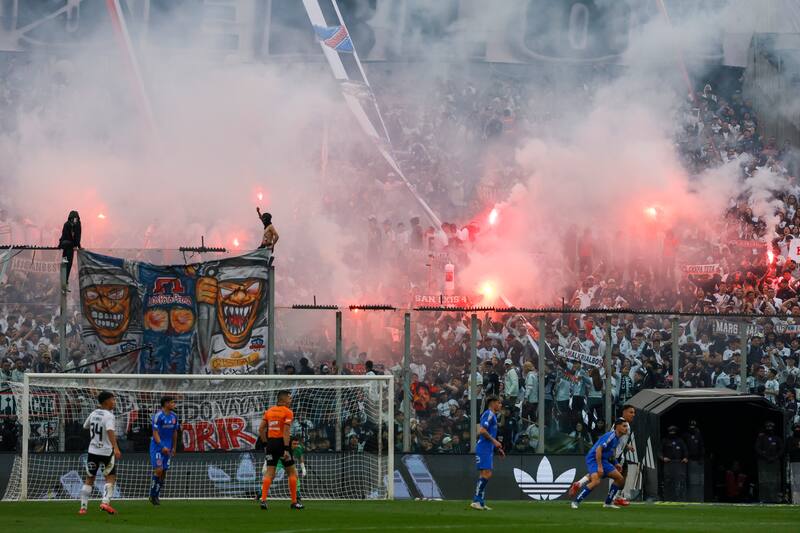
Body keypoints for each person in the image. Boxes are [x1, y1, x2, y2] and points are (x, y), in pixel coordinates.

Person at [570, 404, 636, 506]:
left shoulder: (617, 436)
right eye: (631, 412)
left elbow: (610, 449)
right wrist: (601, 466)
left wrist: (615, 461)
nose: (626, 429)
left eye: (634, 412)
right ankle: (576, 502)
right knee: (597, 480)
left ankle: (607, 502)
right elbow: (599, 450)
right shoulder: (615, 431)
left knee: (619, 478)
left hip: (606, 458)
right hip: (595, 458)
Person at [259, 390, 303, 510]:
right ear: (282, 400)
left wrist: (265, 444)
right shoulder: (288, 412)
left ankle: (263, 500)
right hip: (281, 443)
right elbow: (286, 431)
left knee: (269, 473)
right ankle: (294, 502)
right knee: (292, 472)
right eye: (289, 398)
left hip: (270, 444)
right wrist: (286, 449)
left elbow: (261, 429)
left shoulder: (269, 411)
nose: (291, 400)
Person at [79, 391, 121, 515]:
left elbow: (85, 426)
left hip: (92, 451)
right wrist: (116, 448)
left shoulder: (93, 413)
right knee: (110, 477)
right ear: (106, 401)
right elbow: (110, 431)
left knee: (89, 478)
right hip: (106, 452)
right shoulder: (109, 416)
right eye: (113, 400)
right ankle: (105, 502)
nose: (114, 402)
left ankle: (83, 508)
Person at [471, 395, 504, 511]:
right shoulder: (489, 414)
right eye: (499, 403)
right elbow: (482, 430)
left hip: (487, 448)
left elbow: (489, 432)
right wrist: (495, 442)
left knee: (484, 474)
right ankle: (476, 500)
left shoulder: (493, 416)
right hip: (484, 448)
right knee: (487, 473)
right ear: (492, 403)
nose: (500, 405)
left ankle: (480, 502)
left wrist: (497, 448)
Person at [149, 396, 179, 506]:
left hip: (169, 447)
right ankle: (153, 495)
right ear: (166, 404)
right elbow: (155, 433)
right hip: (157, 447)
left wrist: (174, 447)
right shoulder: (158, 416)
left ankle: (156, 494)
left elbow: (175, 432)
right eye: (172, 402)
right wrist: (162, 446)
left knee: (164, 472)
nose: (174, 404)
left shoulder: (174, 416)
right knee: (159, 469)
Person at [660, 425, 688, 501]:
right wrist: (663, 458)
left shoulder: (680, 441)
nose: (672, 433)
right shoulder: (665, 440)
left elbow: (685, 450)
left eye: (673, 431)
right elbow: (659, 452)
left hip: (679, 463)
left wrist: (685, 457)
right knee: (668, 481)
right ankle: (667, 498)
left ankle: (680, 499)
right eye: (670, 432)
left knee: (680, 481)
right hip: (668, 464)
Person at [58, 210, 81, 286]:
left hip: (68, 247)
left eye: (76, 218)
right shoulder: (67, 224)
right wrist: (77, 245)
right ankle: (64, 280)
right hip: (67, 248)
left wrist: (77, 245)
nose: (75, 220)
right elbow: (65, 236)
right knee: (66, 263)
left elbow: (77, 236)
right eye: (74, 218)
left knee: (66, 263)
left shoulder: (76, 224)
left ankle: (65, 280)